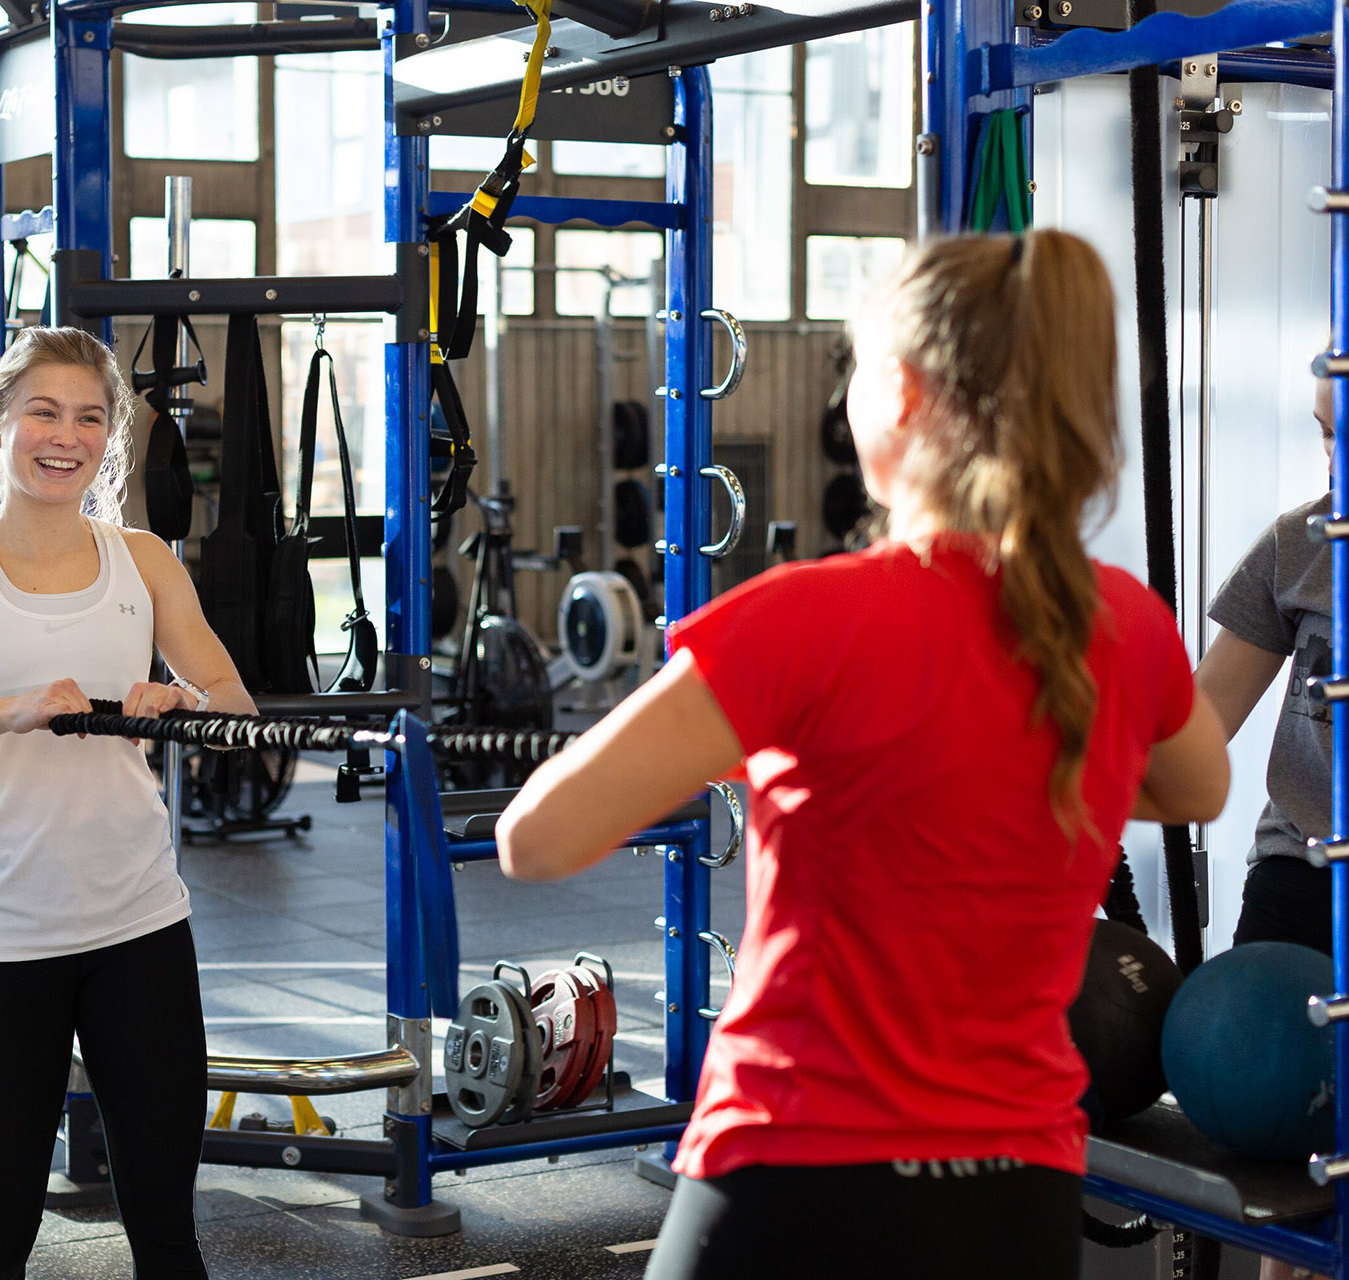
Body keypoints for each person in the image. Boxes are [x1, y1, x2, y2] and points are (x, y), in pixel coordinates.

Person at [494, 230, 1230, 1280]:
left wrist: (760, 745)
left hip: (800, 1171)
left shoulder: (804, 618)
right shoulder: (1123, 622)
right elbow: (1198, 784)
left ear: (900, 393)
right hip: (1016, 1192)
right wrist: (1003, 767)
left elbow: (535, 838)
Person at [0, 327, 251, 1280]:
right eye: (43, 413)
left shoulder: (145, 561)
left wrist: (181, 706)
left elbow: (236, 710)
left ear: (110, 437)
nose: (65, 436)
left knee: (168, 1234)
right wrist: (12, 710)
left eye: (88, 418)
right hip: (4, 935)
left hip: (140, 926)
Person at [1196, 377, 1335, 957]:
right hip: (1300, 871)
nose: (1335, 463)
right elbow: (1197, 727)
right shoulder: (1298, 544)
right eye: (1327, 433)